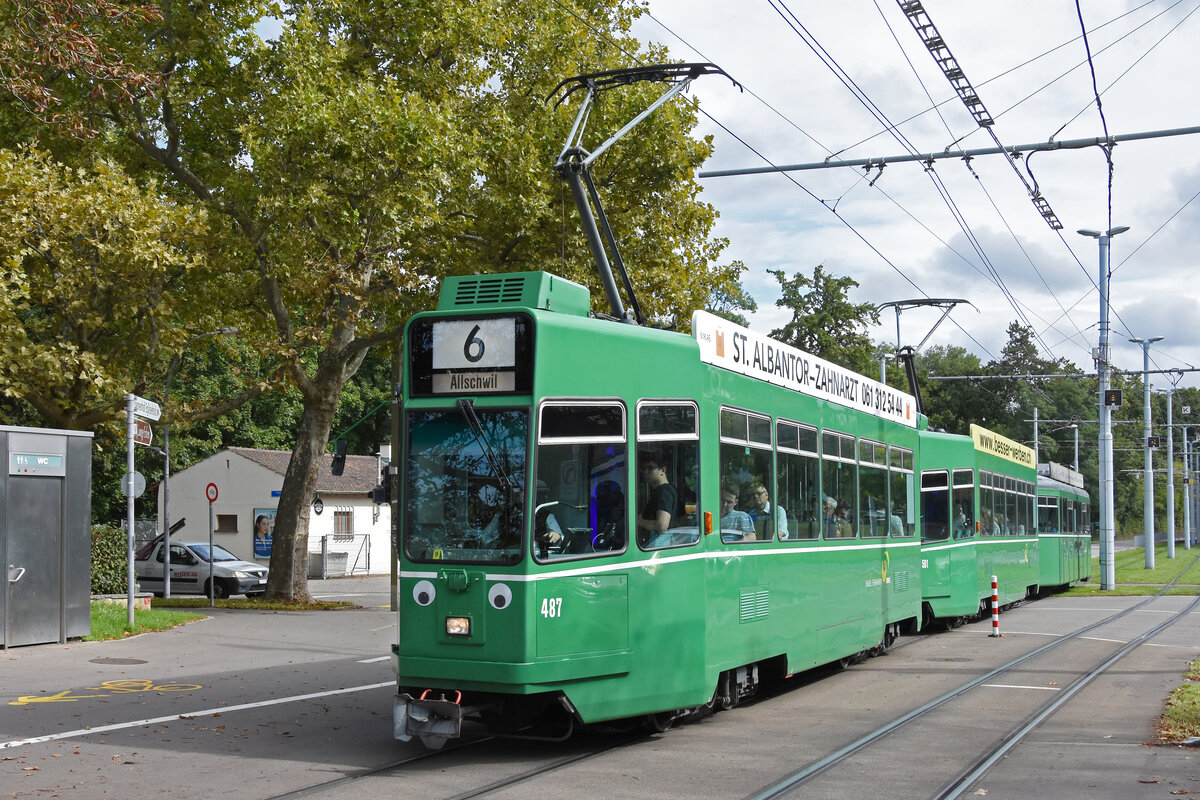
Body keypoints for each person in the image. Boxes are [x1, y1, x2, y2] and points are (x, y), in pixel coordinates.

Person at [637, 458, 680, 542]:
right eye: (644, 468)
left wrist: (639, 521)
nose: (645, 472)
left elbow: (661, 526)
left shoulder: (663, 492)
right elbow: (682, 520)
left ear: (663, 470)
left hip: (657, 546)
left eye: (650, 468)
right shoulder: (671, 490)